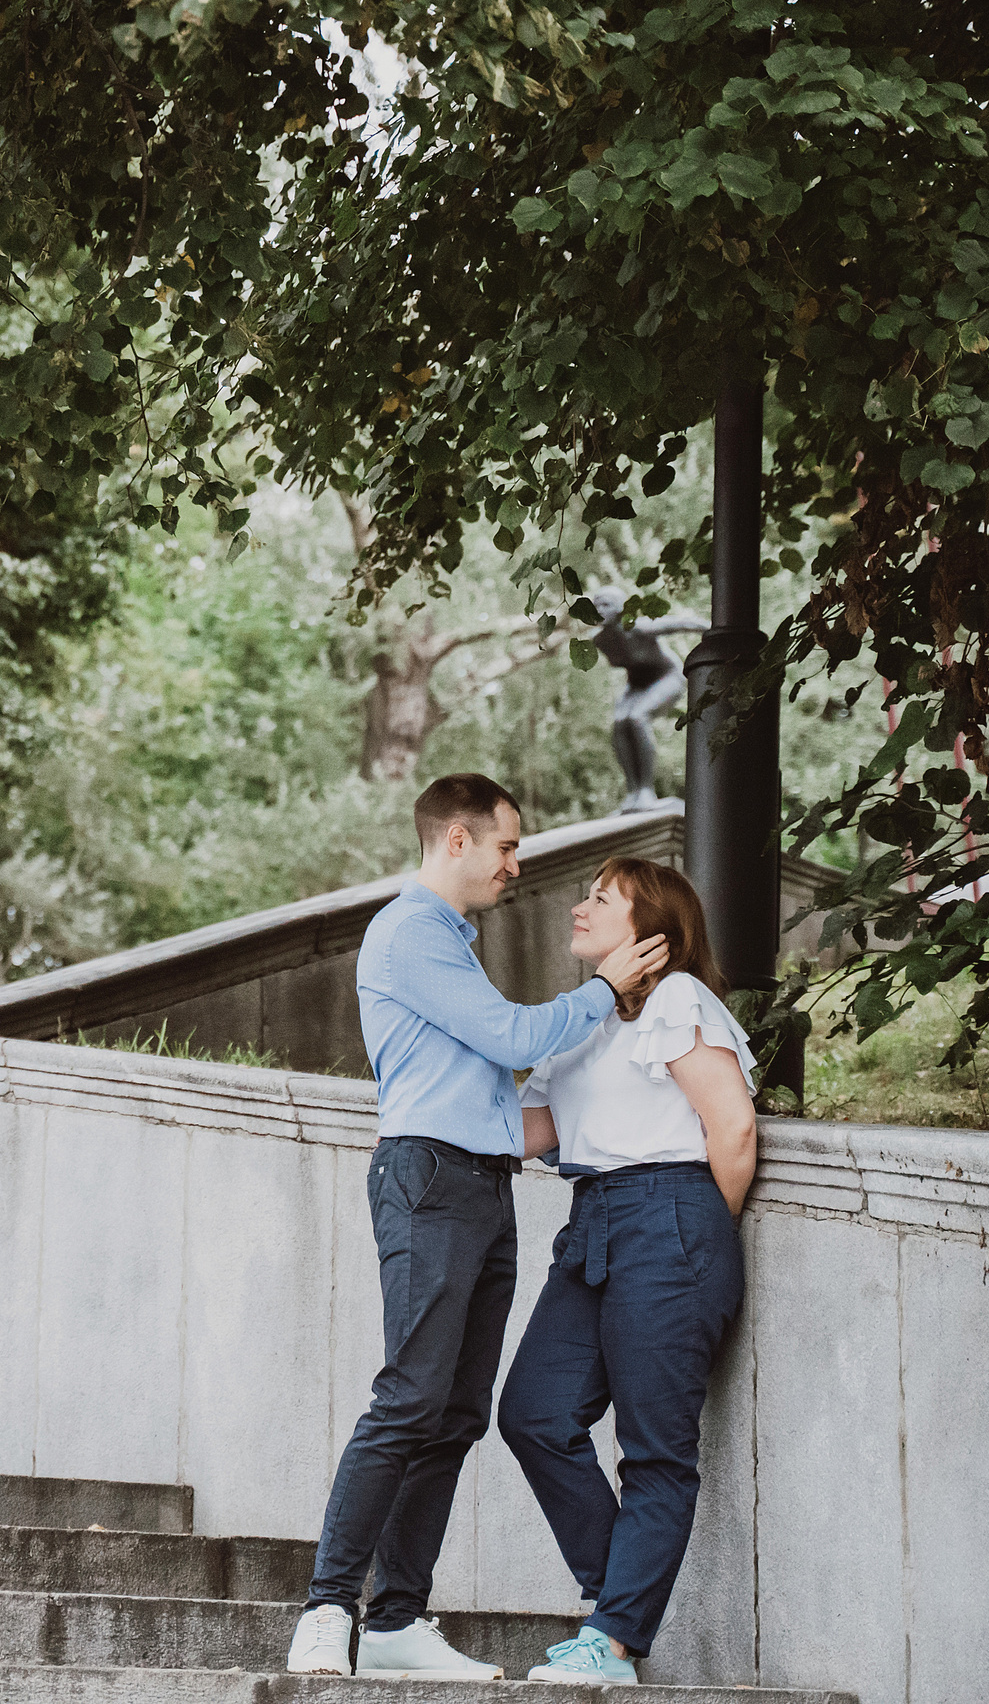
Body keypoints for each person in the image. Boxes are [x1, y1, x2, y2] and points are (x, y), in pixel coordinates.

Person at [285, 775, 670, 1679]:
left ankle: (395, 1621)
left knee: (456, 1411)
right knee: (410, 1398)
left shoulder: (449, 940)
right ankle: (327, 1607)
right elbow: (506, 1036)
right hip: (428, 1178)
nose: (516, 864)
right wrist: (603, 987)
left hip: (480, 1186)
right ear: (455, 840)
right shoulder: (409, 930)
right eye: (505, 846)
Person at [496, 856, 759, 1686]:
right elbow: (521, 1131)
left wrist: (693, 1235)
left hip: (672, 1214)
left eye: (600, 899)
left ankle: (610, 1642)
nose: (578, 908)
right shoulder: (582, 1021)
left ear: (653, 934)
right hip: (593, 1223)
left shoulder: (677, 999)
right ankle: (620, 1597)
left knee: (654, 1453)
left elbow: (733, 1127)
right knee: (534, 1410)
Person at [587, 587, 705, 814]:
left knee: (637, 717)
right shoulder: (600, 640)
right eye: (596, 605)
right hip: (637, 683)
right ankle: (633, 792)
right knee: (619, 724)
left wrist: (715, 632)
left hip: (667, 677)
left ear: (621, 607)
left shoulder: (639, 627)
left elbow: (683, 623)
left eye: (606, 605)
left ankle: (646, 790)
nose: (600, 610)